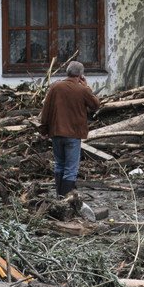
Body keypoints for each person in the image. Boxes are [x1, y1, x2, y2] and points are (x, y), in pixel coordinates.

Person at [38, 61, 100, 196]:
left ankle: (59, 197)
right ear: (81, 75)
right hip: (73, 134)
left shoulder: (55, 87)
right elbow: (95, 105)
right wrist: (86, 86)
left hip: (56, 132)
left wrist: (44, 130)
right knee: (71, 169)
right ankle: (66, 199)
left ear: (67, 72)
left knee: (59, 165)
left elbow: (46, 110)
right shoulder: (82, 90)